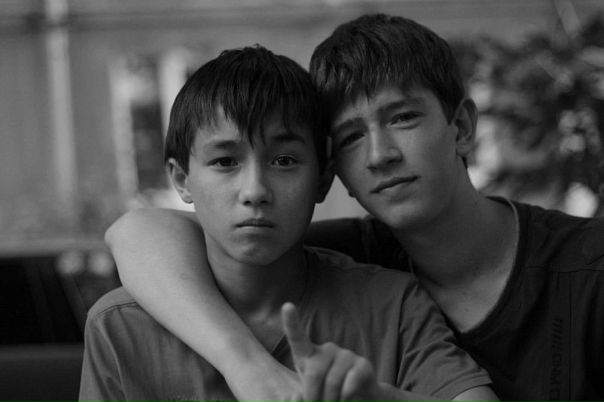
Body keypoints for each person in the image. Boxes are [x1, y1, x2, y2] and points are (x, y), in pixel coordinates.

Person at [105, 14, 604, 402]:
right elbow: (138, 232)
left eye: (403, 118)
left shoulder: (589, 270)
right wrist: (248, 368)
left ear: (463, 128)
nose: (380, 155)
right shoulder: (357, 257)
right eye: (350, 136)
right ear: (333, 170)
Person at [80, 45, 497, 402]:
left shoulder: (393, 307)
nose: (255, 190)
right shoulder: (121, 327)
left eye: (284, 160)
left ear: (324, 178)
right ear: (181, 179)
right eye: (225, 161)